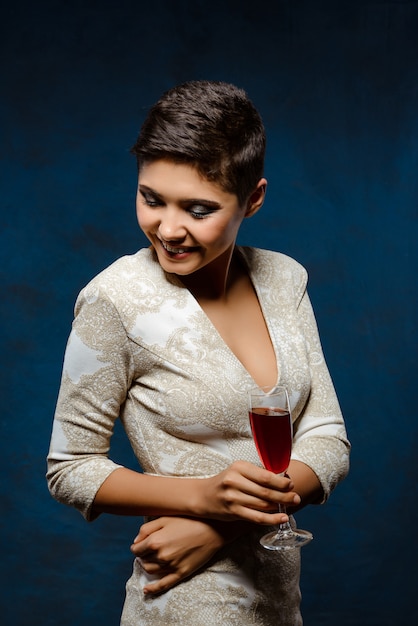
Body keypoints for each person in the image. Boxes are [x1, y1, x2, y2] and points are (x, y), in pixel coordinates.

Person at [47, 80, 350, 625]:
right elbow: (70, 468)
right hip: (182, 601)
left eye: (198, 208)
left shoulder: (285, 280)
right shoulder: (114, 300)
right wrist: (200, 498)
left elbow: (328, 438)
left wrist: (223, 522)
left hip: (281, 604)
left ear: (252, 199)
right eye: (151, 198)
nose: (168, 228)